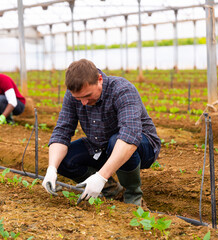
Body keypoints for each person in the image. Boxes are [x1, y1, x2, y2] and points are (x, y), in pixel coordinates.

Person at [42, 59, 161, 206]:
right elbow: (62, 131)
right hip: (101, 146)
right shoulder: (73, 96)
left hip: (143, 147)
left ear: (99, 79)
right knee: (64, 160)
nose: (83, 103)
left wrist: (101, 176)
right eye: (78, 98)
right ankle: (112, 191)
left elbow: (130, 136)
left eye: (87, 96)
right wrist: (52, 168)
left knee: (116, 141)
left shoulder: (122, 90)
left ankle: (133, 195)